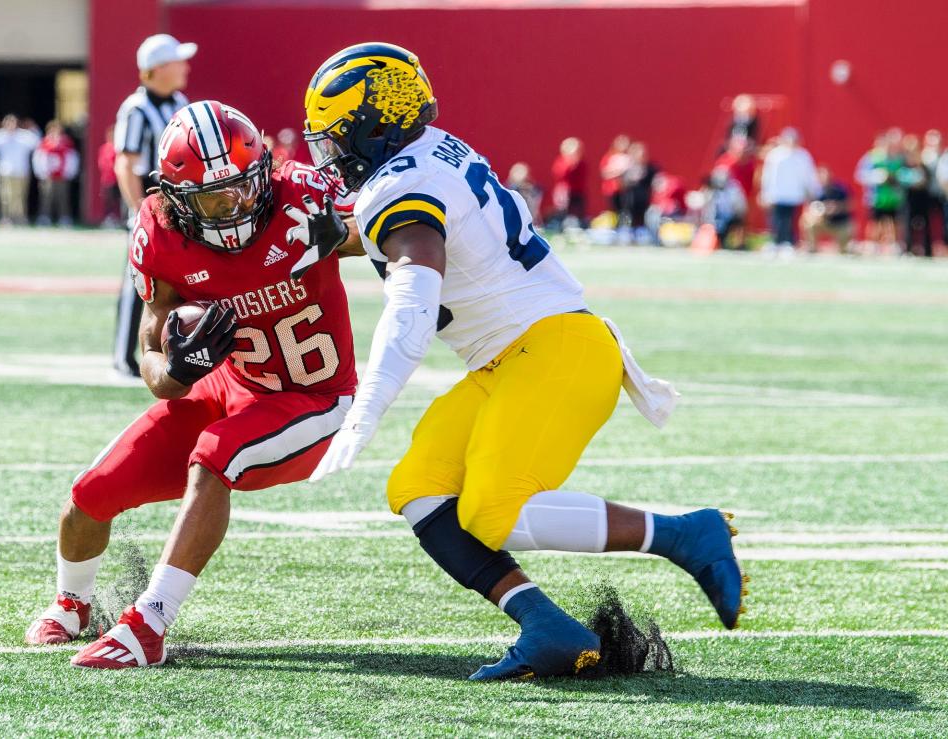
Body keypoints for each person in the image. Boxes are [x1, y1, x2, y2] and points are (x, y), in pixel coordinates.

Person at [297, 42, 745, 681]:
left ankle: (685, 534)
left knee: (491, 511)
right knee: (419, 488)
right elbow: (406, 227)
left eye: (338, 136)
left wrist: (370, 405)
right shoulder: (430, 153)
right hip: (513, 356)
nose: (331, 152)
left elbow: (411, 303)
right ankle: (547, 627)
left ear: (376, 124)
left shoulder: (403, 187)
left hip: (552, 351)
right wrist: (330, 236)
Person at [25, 101, 360, 669]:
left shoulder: (302, 191)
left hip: (315, 396)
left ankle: (148, 623)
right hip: (232, 384)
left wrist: (348, 234)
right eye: (212, 199)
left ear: (263, 173)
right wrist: (177, 370)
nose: (232, 209)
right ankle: (74, 602)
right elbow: (152, 359)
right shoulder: (158, 228)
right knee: (89, 495)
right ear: (179, 201)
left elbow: (401, 229)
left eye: (242, 190)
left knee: (214, 455)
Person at [112, 34, 196, 378]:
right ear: (158, 68)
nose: (185, 67)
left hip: (177, 209)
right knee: (138, 284)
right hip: (149, 208)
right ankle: (123, 356)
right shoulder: (136, 108)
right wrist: (137, 212)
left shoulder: (179, 101)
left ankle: (170, 350)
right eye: (178, 61)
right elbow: (125, 163)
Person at [759, 127, 820, 251]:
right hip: (777, 194)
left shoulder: (803, 156)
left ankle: (789, 242)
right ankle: (776, 242)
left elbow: (809, 176)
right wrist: (765, 193)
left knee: (791, 220)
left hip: (794, 195)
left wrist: (813, 191)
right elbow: (767, 175)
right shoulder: (775, 155)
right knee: (776, 220)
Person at [0, 115, 41, 225]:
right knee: (5, 196)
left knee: (19, 197)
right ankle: (6, 218)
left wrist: (33, 128)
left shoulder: (23, 136)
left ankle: (20, 219)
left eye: (12, 122)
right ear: (4, 124)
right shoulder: (0, 136)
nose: (10, 125)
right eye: (8, 122)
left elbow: (37, 142)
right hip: (5, 172)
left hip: (21, 172)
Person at [32, 120, 79, 227]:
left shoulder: (66, 142)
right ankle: (44, 217)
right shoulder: (44, 142)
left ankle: (64, 217)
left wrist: (70, 172)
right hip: (47, 175)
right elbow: (38, 158)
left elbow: (72, 158)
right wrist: (40, 172)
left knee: (63, 197)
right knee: (46, 197)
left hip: (62, 175)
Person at [800, 166, 853, 253]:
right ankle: (812, 248)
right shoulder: (816, 191)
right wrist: (819, 213)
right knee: (807, 221)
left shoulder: (840, 189)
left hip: (839, 223)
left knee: (849, 227)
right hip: (823, 222)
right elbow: (810, 208)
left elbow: (850, 204)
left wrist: (837, 208)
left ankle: (844, 249)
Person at [899, 136, 933, 257]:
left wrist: (920, 178)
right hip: (908, 200)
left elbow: (926, 181)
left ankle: (928, 251)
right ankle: (907, 250)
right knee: (907, 225)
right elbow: (900, 180)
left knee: (926, 225)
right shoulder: (903, 166)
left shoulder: (924, 167)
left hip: (922, 199)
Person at [548, 136, 587, 229]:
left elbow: (582, 176)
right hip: (564, 192)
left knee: (578, 211)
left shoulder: (581, 163)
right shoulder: (561, 162)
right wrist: (570, 164)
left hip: (577, 191)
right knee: (562, 211)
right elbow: (560, 175)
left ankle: (578, 227)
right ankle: (560, 227)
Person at [599, 134, 632, 221]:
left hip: (626, 190)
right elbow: (604, 173)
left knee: (625, 211)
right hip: (612, 190)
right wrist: (618, 172)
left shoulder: (629, 158)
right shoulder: (609, 157)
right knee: (613, 211)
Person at [97, 126, 122, 227]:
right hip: (107, 179)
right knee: (108, 200)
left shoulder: (118, 148)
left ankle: (117, 219)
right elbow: (102, 163)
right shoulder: (104, 148)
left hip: (117, 179)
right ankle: (108, 219)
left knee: (117, 200)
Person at [505, 162, 543, 226]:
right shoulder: (506, 190)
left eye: (521, 173)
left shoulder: (532, 190)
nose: (519, 175)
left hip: (529, 222)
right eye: (517, 172)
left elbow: (532, 211)